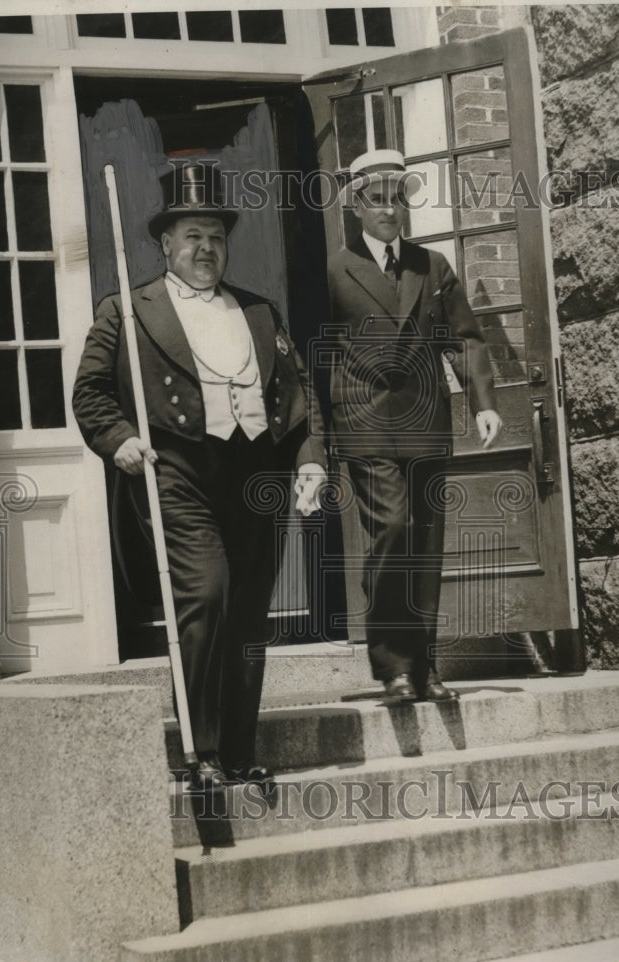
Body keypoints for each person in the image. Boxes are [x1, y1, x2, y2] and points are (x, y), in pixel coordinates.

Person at [73, 162, 326, 790]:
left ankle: (238, 753)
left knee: (247, 615)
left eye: (215, 236)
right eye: (192, 236)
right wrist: (120, 439)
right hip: (177, 473)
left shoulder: (260, 313)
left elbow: (302, 400)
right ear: (166, 243)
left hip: (253, 478)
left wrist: (312, 459)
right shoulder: (128, 312)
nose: (205, 249)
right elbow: (90, 394)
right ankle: (201, 751)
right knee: (207, 595)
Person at [327, 149, 503, 703]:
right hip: (367, 426)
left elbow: (465, 338)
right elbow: (317, 357)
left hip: (425, 423)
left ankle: (425, 669)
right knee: (392, 534)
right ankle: (393, 666)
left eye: (397, 197)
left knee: (425, 546)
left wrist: (482, 402)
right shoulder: (332, 270)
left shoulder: (432, 266)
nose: (388, 210)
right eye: (376, 199)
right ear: (357, 205)